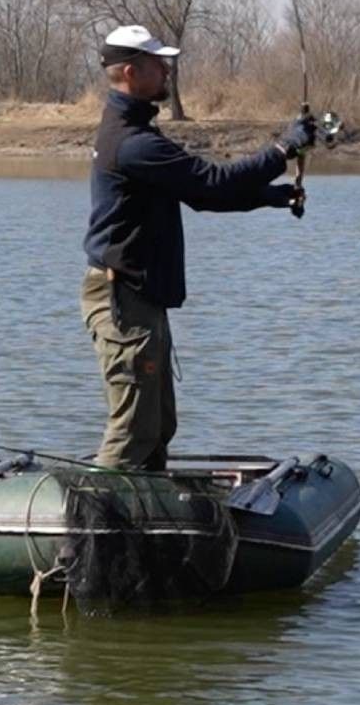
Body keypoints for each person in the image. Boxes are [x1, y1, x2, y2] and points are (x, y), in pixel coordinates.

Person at [82, 24, 318, 470]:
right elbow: (213, 181)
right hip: (123, 302)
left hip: (138, 298)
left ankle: (144, 521)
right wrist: (282, 148)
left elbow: (202, 195)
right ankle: (91, 525)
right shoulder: (132, 143)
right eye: (157, 65)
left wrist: (272, 195)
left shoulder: (132, 131)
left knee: (158, 427)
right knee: (133, 431)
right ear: (131, 72)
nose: (167, 71)